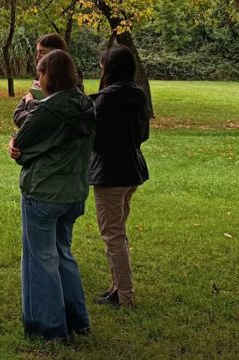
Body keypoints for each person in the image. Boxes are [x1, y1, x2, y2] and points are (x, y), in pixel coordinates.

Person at [8, 50, 96, 342]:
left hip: (44, 193)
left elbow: (22, 146)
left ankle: (49, 329)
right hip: (74, 193)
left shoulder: (46, 112)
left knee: (40, 259)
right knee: (63, 254)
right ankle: (77, 320)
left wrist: (14, 145)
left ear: (49, 76)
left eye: (40, 73)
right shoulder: (86, 105)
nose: (38, 79)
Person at [89, 45, 150, 308]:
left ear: (109, 69)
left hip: (110, 173)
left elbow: (94, 138)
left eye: (102, 68)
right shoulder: (139, 95)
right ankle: (117, 288)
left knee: (113, 235)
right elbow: (143, 134)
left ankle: (124, 295)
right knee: (118, 232)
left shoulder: (104, 100)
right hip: (132, 170)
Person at [12, 33, 84, 129]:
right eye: (37, 52)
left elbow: (56, 113)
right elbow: (18, 115)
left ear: (56, 52)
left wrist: (29, 101)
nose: (38, 56)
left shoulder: (73, 81)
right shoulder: (42, 73)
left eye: (42, 52)